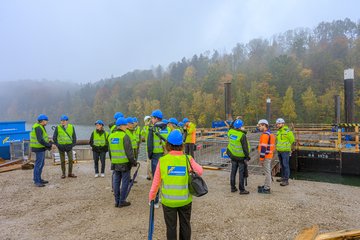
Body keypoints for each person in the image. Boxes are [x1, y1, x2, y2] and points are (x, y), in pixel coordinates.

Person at [149, 130, 203, 240]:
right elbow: (200, 171)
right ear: (182, 145)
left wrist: (152, 197)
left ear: (167, 145)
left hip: (168, 202)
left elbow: (156, 182)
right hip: (185, 200)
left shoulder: (163, 160)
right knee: (185, 225)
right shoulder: (187, 159)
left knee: (171, 227)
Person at [109, 117, 137, 208]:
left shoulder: (111, 136)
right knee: (125, 182)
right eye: (125, 125)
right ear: (122, 126)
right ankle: (122, 201)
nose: (126, 127)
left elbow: (110, 152)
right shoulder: (125, 136)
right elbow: (129, 152)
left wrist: (113, 160)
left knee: (116, 182)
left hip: (115, 163)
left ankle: (116, 201)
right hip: (125, 164)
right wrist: (133, 162)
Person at [147, 109, 168, 208]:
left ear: (156, 118)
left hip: (156, 156)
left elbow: (149, 145)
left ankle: (155, 202)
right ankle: (163, 198)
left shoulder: (152, 129)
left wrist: (150, 156)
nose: (151, 119)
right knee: (165, 178)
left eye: (152, 118)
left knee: (156, 179)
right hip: (166, 156)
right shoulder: (167, 128)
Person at [226, 119, 250, 194]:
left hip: (233, 155)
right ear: (241, 127)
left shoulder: (230, 132)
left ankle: (233, 188)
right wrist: (247, 157)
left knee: (233, 171)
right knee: (241, 173)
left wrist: (235, 121)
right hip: (241, 157)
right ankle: (242, 190)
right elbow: (245, 148)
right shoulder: (242, 135)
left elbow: (230, 127)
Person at [30, 114, 53, 187]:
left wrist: (48, 142)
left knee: (41, 164)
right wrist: (48, 145)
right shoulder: (38, 128)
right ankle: (37, 181)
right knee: (38, 164)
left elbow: (43, 137)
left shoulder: (40, 127)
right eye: (46, 120)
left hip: (40, 148)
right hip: (38, 148)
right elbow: (40, 140)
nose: (47, 122)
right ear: (43, 121)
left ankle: (38, 179)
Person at [53, 115, 77, 179]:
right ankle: (63, 173)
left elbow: (74, 137)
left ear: (67, 121)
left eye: (64, 121)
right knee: (62, 161)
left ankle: (70, 173)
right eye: (61, 121)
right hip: (61, 146)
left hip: (69, 146)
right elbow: (54, 138)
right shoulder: (58, 127)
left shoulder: (71, 127)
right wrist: (58, 145)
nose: (62, 122)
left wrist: (72, 145)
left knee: (71, 159)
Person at [275, 118, 295, 186]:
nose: (278, 125)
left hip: (285, 151)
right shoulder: (278, 132)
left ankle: (286, 180)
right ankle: (283, 177)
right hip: (279, 151)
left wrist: (292, 150)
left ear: (283, 124)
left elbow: (292, 141)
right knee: (282, 165)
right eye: (277, 124)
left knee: (285, 165)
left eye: (279, 123)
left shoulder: (288, 131)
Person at [257, 119, 275, 194]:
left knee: (267, 172)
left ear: (264, 125)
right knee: (267, 171)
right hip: (269, 155)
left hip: (266, 156)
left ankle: (267, 188)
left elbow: (263, 148)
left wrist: (261, 159)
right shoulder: (270, 134)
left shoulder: (265, 135)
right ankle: (266, 185)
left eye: (260, 125)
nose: (259, 127)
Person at [141, 115, 152, 180]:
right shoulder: (146, 128)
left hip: (149, 147)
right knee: (149, 162)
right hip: (149, 147)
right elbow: (143, 138)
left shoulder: (146, 128)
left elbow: (143, 138)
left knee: (149, 162)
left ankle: (149, 174)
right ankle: (149, 174)